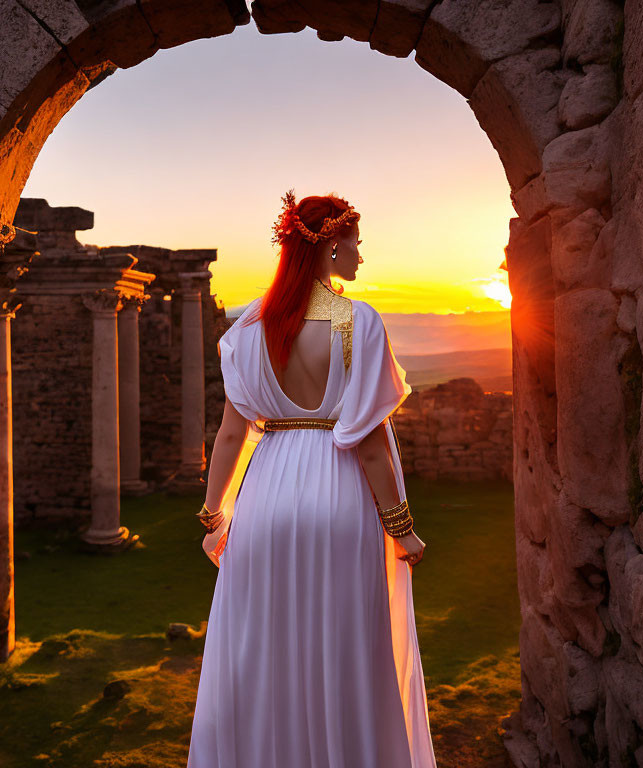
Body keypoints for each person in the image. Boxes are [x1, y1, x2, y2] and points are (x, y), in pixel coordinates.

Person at [186, 190, 438, 768]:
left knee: (263, 654)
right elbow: (370, 441)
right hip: (340, 491)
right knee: (347, 651)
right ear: (329, 244)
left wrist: (214, 518)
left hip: (268, 490)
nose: (360, 256)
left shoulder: (251, 327)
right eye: (355, 243)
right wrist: (401, 528)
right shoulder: (358, 323)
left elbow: (229, 436)